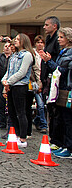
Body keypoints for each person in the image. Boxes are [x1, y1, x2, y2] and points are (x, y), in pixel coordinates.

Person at [41, 27, 72, 158]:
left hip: (67, 89)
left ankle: (69, 148)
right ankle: (65, 145)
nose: (58, 40)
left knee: (68, 120)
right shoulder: (63, 52)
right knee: (63, 119)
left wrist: (49, 62)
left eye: (61, 37)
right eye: (58, 37)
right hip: (61, 89)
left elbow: (61, 71)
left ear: (69, 39)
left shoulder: (69, 54)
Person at [2, 33, 35, 148]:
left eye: (17, 39)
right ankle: (15, 134)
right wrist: (4, 80)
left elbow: (22, 72)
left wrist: (9, 81)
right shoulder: (14, 55)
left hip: (20, 86)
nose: (15, 41)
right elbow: (9, 70)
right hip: (11, 86)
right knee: (12, 112)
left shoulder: (27, 55)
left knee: (21, 112)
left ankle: (22, 137)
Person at [39, 16, 61, 151]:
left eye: (47, 25)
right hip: (47, 78)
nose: (44, 27)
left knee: (55, 110)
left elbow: (57, 63)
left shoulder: (56, 41)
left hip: (54, 78)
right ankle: (53, 137)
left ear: (54, 26)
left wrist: (48, 60)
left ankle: (56, 139)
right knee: (50, 109)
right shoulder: (48, 40)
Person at [31, 35, 48, 133]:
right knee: (40, 104)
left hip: (45, 80)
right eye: (38, 42)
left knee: (43, 104)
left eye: (41, 42)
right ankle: (43, 125)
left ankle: (37, 120)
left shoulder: (46, 53)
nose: (40, 44)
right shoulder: (33, 53)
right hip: (35, 81)